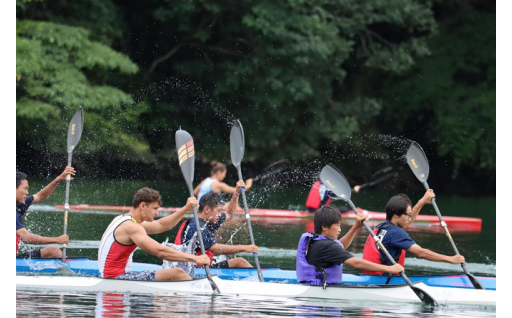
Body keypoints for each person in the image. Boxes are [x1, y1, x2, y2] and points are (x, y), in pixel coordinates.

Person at [98, 187, 210, 281]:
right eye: (155, 208)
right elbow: (160, 251)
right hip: (116, 278)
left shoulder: (124, 220)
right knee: (178, 273)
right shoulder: (131, 227)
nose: (157, 213)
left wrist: (185, 209)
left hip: (113, 277)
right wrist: (195, 259)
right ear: (143, 206)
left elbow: (160, 225)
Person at [296, 205, 404, 287]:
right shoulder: (326, 246)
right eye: (337, 225)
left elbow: (340, 247)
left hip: (316, 287)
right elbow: (355, 263)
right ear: (324, 227)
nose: (340, 229)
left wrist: (356, 226)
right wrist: (389, 268)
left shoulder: (318, 241)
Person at [362, 191, 465, 275]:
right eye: (408, 215)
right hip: (386, 280)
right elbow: (421, 252)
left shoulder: (382, 226)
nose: (409, 219)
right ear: (396, 215)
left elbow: (407, 222)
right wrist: (450, 259)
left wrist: (422, 201)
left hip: (371, 276)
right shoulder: (396, 233)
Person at [176, 181, 258, 268]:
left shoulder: (210, 220)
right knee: (241, 262)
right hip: (191, 269)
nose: (220, 214)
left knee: (240, 262)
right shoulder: (196, 226)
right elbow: (216, 248)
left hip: (203, 266)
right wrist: (244, 248)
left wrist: (236, 193)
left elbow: (229, 214)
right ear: (207, 209)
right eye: (219, 210)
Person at [16, 168, 74, 258]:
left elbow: (40, 196)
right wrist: (57, 239)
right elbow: (26, 237)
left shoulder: (19, 204)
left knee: (53, 251)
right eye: (25, 188)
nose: (27, 192)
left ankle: (71, 266)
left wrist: (58, 179)